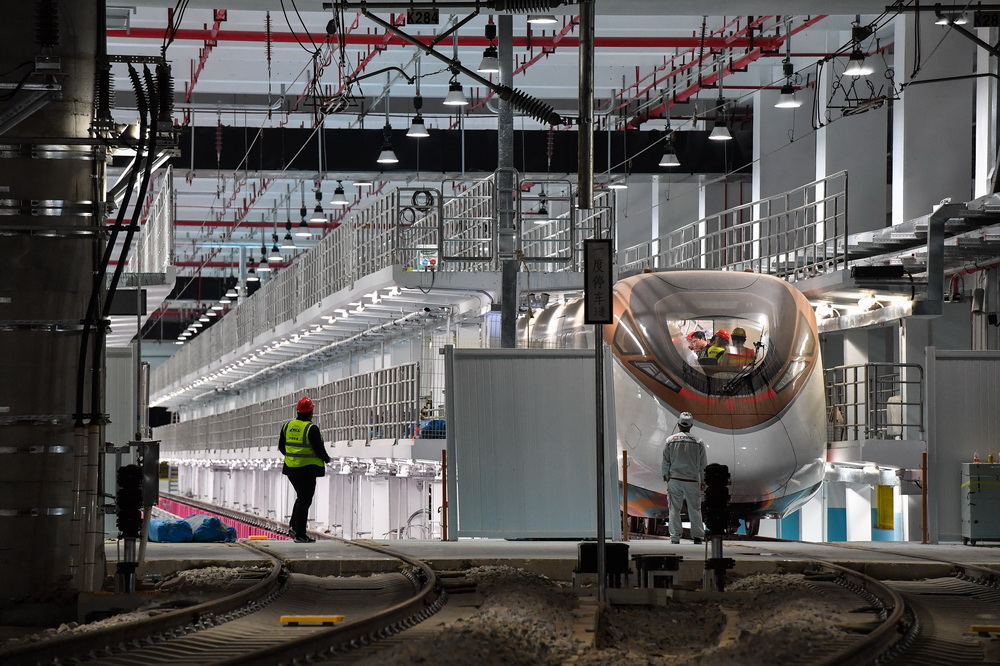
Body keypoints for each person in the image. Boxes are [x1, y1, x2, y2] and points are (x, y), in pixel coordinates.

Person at [278, 396, 331, 543]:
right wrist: (327, 459)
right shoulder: (311, 428)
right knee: (305, 500)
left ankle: (294, 526)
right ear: (311, 412)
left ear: (298, 411)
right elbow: (319, 449)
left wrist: (293, 457)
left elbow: (282, 447)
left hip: (291, 469)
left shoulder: (287, 426)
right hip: (307, 470)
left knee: (301, 498)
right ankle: (300, 534)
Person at [661, 411, 707, 544]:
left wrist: (665, 474)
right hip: (692, 481)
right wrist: (703, 480)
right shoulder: (698, 441)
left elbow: (666, 460)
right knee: (695, 509)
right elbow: (703, 464)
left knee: (674, 509)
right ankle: (698, 536)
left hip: (674, 480)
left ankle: (675, 537)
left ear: (679, 425)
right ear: (691, 426)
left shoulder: (670, 440)